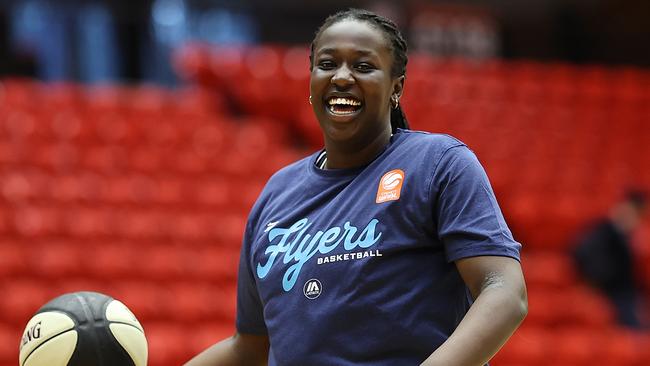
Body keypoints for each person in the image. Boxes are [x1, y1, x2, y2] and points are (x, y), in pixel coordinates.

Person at [185, 8, 527, 366]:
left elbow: (503, 291)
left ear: (396, 87)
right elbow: (250, 346)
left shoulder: (437, 163)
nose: (342, 77)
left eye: (363, 66)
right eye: (327, 64)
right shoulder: (277, 192)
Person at [573, 190, 647, 328]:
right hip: (611, 289)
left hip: (623, 290)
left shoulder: (624, 236)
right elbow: (582, 254)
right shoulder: (604, 232)